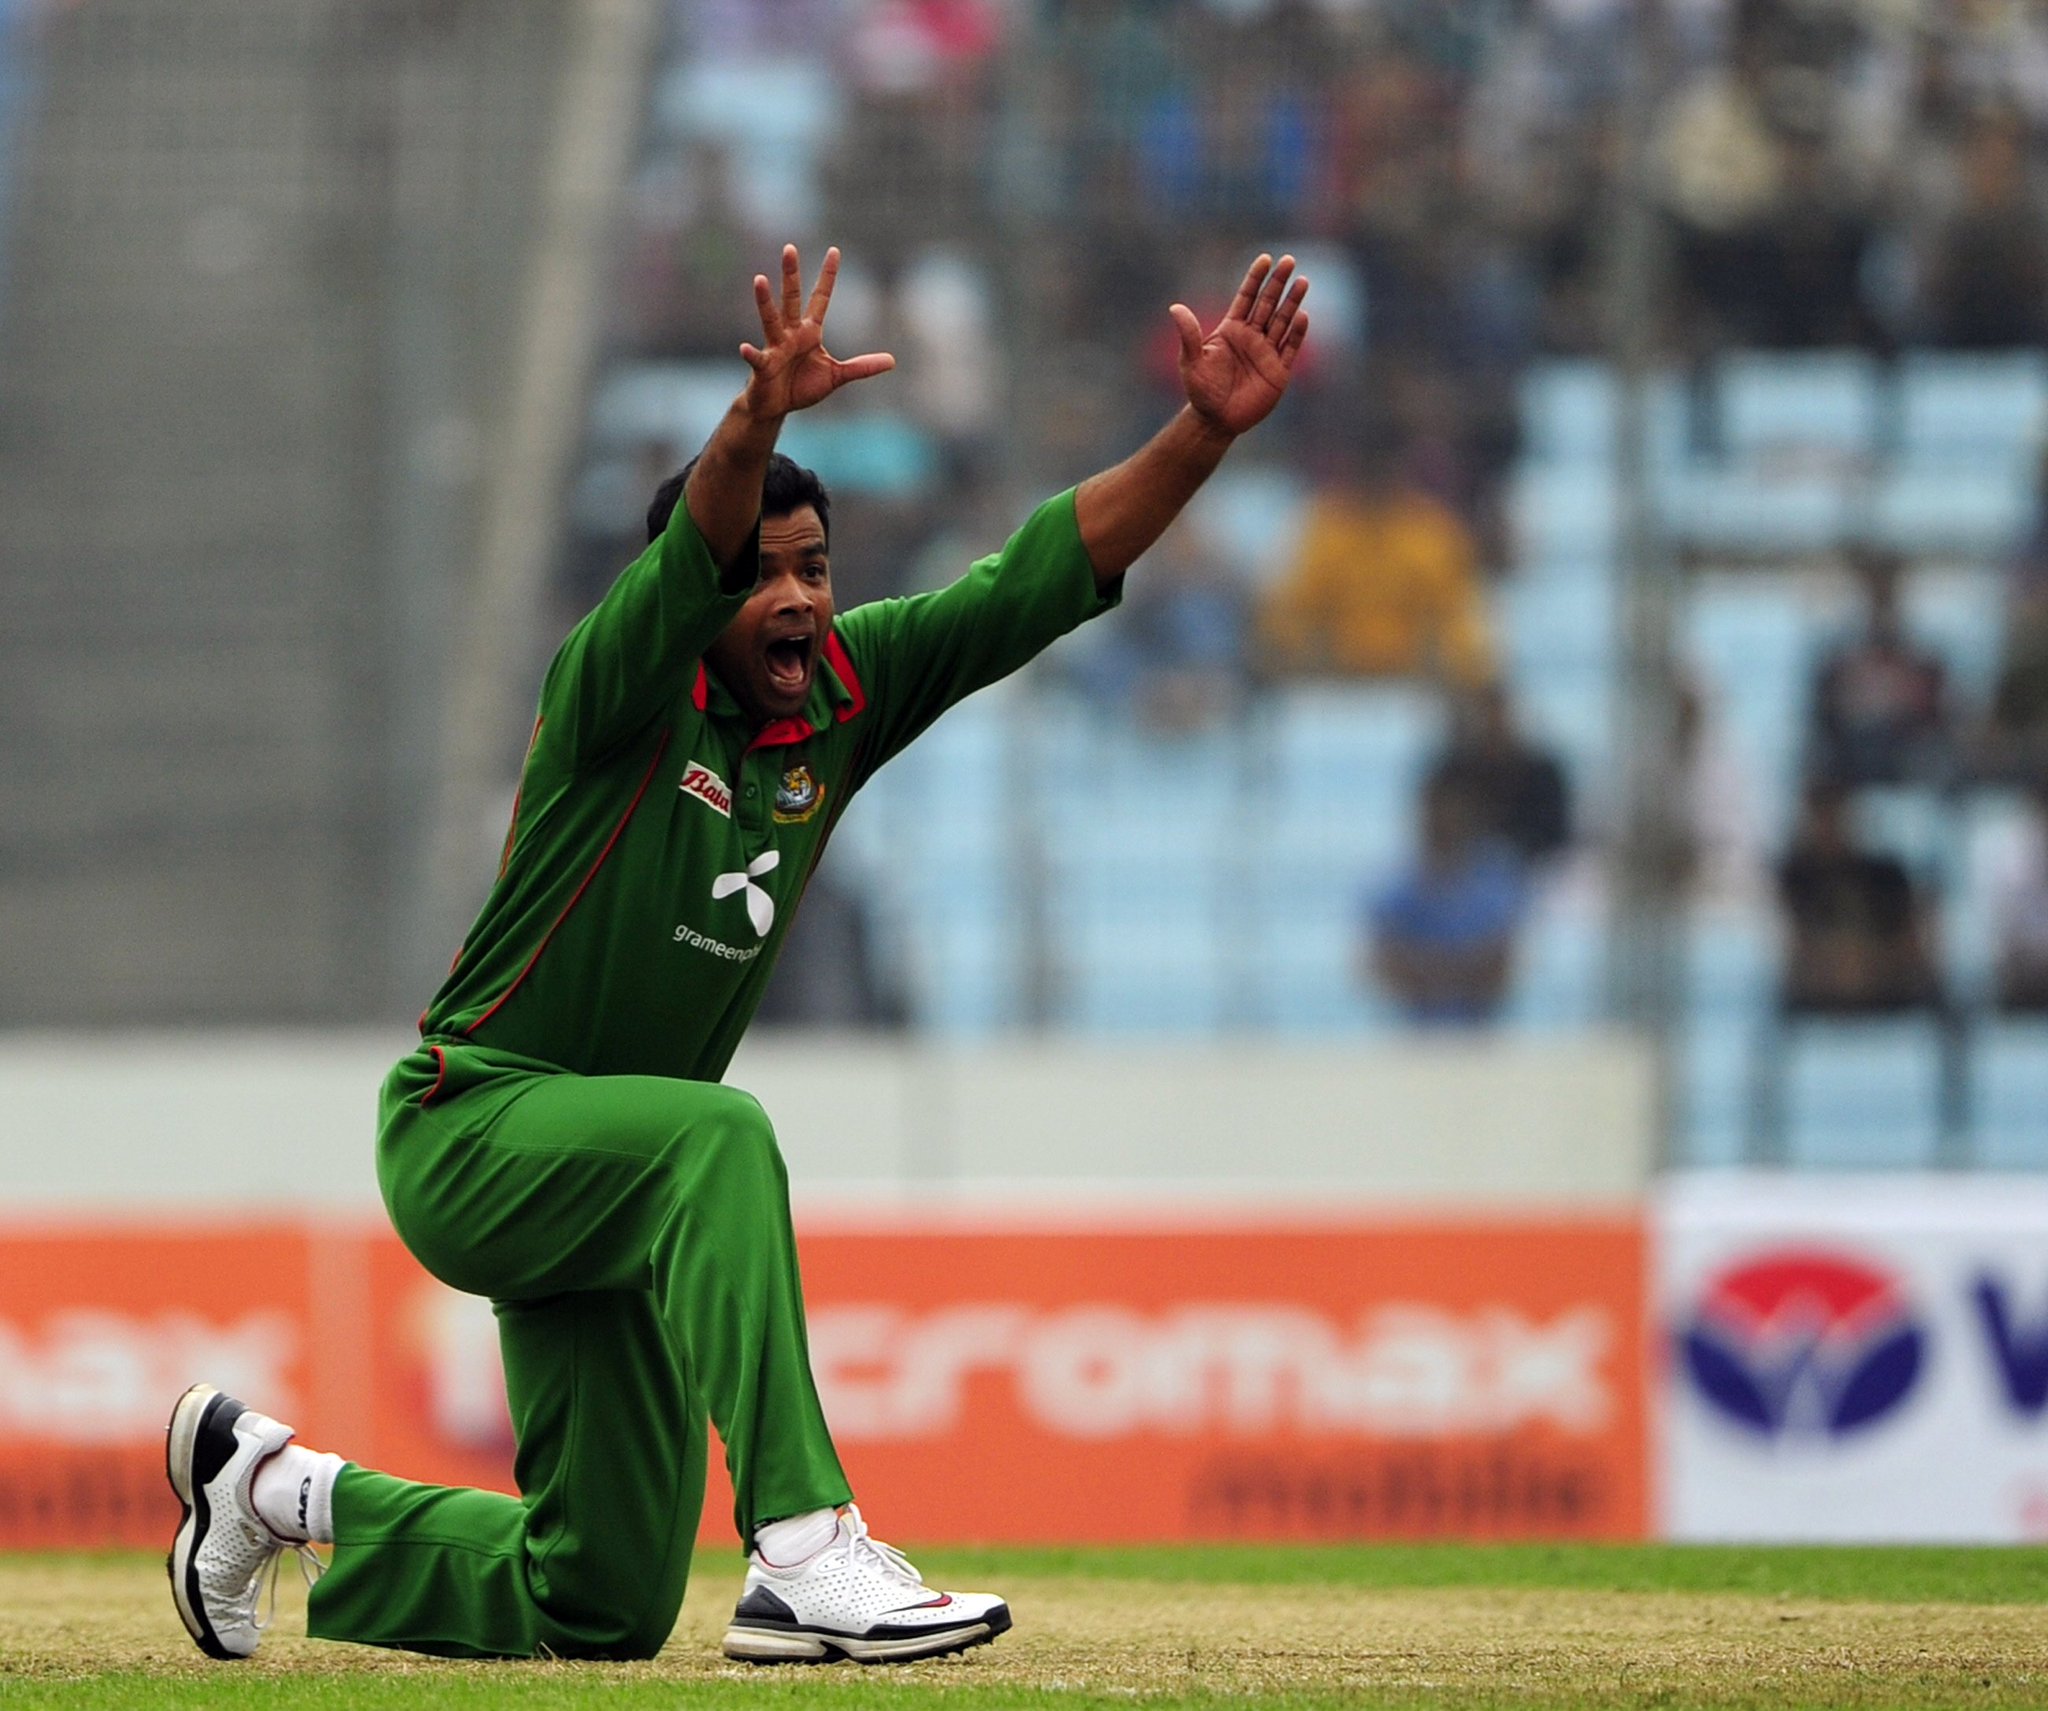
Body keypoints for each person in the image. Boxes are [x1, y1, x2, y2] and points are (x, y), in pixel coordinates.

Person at [164, 243, 1310, 1665]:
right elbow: (700, 542)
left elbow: (1031, 578)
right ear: (692, 590)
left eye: (814, 569)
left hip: (611, 1189)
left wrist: (1201, 432)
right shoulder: (617, 692)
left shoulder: (842, 696)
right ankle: (808, 1548)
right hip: (472, 1128)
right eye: (757, 574)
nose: (794, 599)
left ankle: (270, 1488)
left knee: (602, 1595)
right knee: (723, 1133)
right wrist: (754, 423)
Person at [1255, 425, 1495, 687]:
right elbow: (1286, 619)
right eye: (1368, 471)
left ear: (1400, 471)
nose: (1376, 481)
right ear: (1353, 471)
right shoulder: (1321, 530)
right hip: (1332, 688)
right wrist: (1310, 658)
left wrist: (1443, 665)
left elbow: (1461, 624)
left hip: (1417, 688)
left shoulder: (1433, 535)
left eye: (1384, 470)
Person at [1365, 773, 1528, 1026]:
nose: (1445, 824)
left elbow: (1502, 968)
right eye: (1436, 816)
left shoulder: (1495, 884)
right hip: (1413, 1039)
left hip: (1482, 1036)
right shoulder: (1395, 888)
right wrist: (1462, 971)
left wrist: (1430, 971)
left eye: (1452, 816)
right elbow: (1382, 967)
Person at [1776, 779, 1941, 1015]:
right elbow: (1791, 949)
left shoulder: (1885, 876)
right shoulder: (1796, 878)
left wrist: (1869, 963)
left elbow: (1912, 942)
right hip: (1816, 999)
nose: (1829, 828)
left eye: (1836, 817)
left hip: (1888, 992)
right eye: (1821, 819)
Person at [1806, 547, 1950, 789]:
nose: (1881, 599)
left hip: (1908, 768)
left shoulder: (1925, 664)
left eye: (1887, 590)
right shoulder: (1837, 664)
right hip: (1851, 769)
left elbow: (1938, 724)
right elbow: (1824, 723)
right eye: (1874, 592)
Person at [1426, 682, 1571, 864]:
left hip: (1537, 875)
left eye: (1499, 721)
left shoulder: (1543, 776)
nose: (1494, 729)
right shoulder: (1454, 774)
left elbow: (1556, 841)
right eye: (1486, 722)